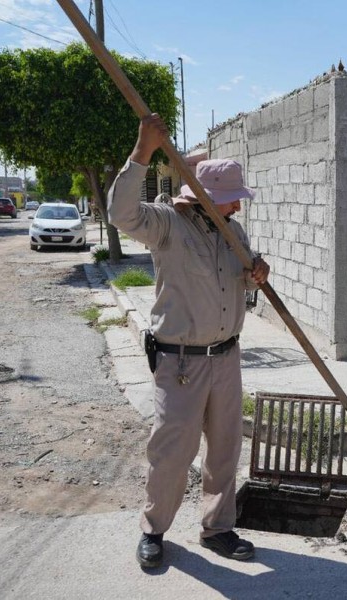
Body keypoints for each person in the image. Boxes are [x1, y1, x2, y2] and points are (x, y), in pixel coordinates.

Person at [107, 113, 270, 569]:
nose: (238, 207)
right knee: (172, 451)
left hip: (226, 357)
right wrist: (143, 151)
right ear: (205, 199)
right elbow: (121, 215)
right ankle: (154, 530)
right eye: (231, 200)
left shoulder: (232, 233)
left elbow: (244, 278)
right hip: (180, 362)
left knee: (224, 449)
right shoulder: (168, 226)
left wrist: (259, 270)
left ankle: (217, 527)